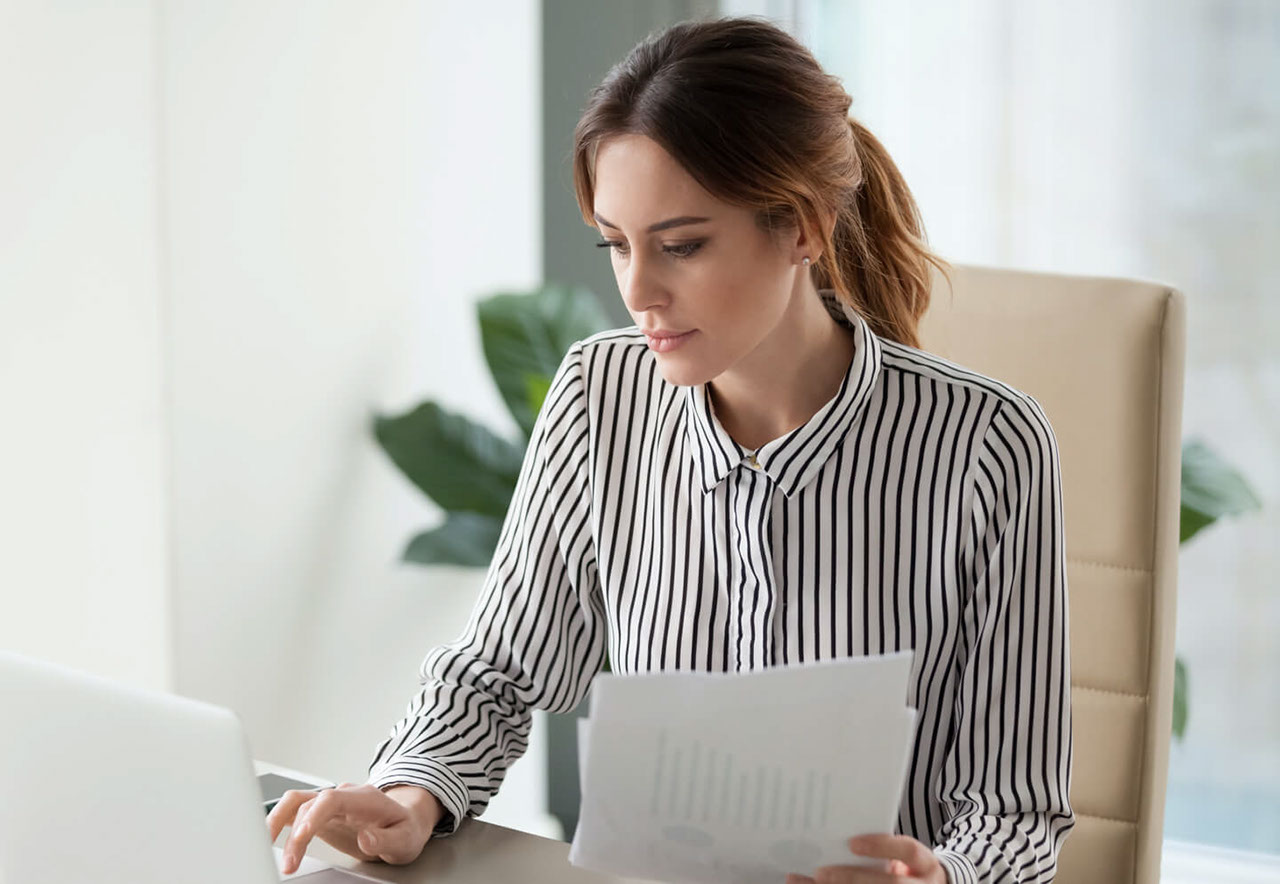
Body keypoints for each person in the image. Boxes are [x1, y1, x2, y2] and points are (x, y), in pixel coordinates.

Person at [268, 16, 1074, 884]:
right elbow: (498, 671)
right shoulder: (597, 397)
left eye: (682, 246)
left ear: (802, 226)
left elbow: (1013, 811)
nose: (639, 291)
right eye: (616, 244)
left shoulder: (989, 445)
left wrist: (941, 878)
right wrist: (414, 790)